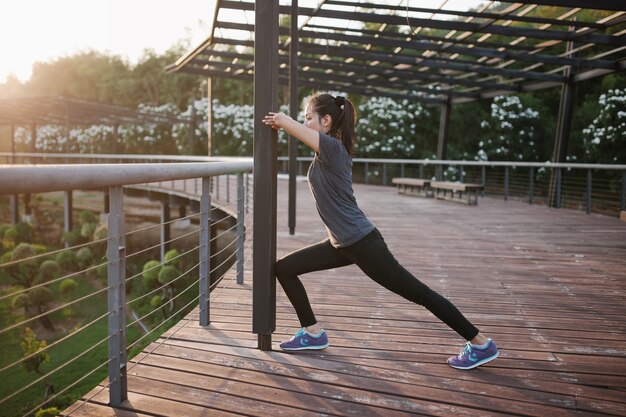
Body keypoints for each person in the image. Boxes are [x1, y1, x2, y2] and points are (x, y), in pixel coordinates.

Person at [262, 92, 499, 370]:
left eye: (309, 118)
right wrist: (287, 124)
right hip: (340, 243)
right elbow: (302, 134)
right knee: (285, 268)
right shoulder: (324, 152)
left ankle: (481, 343)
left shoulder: (333, 149)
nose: (305, 123)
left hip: (363, 243)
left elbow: (298, 131)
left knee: (419, 294)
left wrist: (282, 120)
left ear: (326, 121)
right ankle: (312, 332)